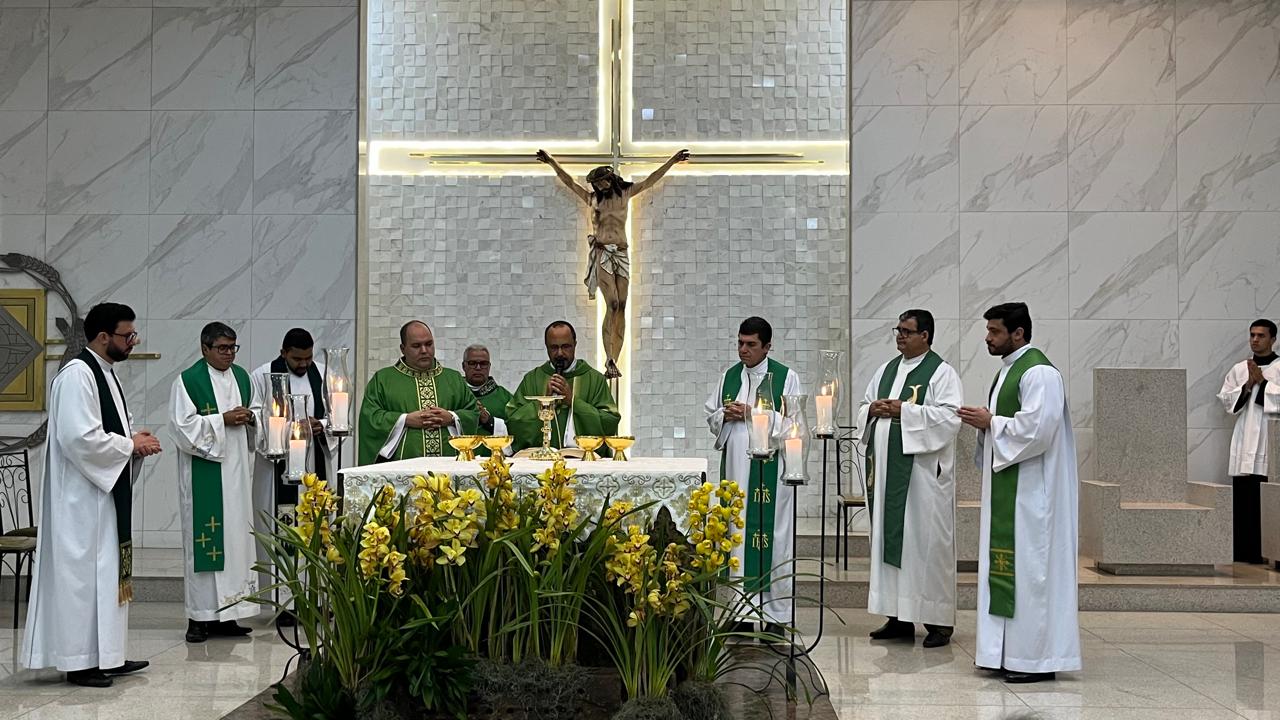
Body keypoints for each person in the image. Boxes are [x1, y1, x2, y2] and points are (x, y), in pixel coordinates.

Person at [22, 303, 161, 687]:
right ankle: (79, 662)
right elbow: (78, 438)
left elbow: (106, 432)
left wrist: (134, 441)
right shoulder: (77, 376)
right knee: (83, 581)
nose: (133, 342)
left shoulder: (105, 373)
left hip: (102, 496)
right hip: (80, 502)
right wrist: (129, 445)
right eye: (127, 335)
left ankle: (108, 656)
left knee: (106, 577)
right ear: (103, 337)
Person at [958, 302, 1080, 683]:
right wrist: (987, 424)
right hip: (1012, 493)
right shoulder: (1008, 371)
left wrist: (991, 422)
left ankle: (1035, 660)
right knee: (1010, 572)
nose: (987, 338)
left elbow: (1038, 431)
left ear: (1018, 333)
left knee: (1032, 574)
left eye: (994, 331)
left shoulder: (1039, 372)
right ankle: (1002, 653)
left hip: (1033, 496)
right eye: (988, 331)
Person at [536, 148, 690, 379]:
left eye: (602, 182)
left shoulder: (625, 193)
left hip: (621, 253)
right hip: (602, 253)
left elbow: (651, 180)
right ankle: (608, 355)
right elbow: (569, 182)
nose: (600, 186)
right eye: (596, 184)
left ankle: (614, 360)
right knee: (613, 304)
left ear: (610, 179)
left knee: (623, 306)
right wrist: (551, 162)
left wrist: (673, 161)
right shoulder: (592, 199)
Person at [859, 309, 962, 648]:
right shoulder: (886, 370)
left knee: (926, 545)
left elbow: (949, 418)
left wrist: (904, 410)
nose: (900, 336)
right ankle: (898, 617)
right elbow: (864, 405)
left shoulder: (942, 373)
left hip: (921, 481)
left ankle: (938, 623)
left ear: (925, 336)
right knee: (893, 544)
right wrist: (871, 410)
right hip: (888, 476)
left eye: (907, 331)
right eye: (898, 330)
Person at [703, 317, 803, 631]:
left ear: (767, 346)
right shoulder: (729, 376)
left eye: (751, 344)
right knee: (737, 535)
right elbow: (711, 415)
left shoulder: (786, 378)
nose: (743, 350)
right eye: (740, 343)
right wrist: (724, 415)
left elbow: (795, 426)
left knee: (774, 539)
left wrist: (752, 414)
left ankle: (776, 616)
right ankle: (741, 615)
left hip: (771, 474)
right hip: (736, 472)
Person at [170, 322, 262, 643]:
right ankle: (199, 618)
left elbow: (259, 412)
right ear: (204, 348)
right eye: (222, 348)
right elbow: (181, 428)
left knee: (236, 544)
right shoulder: (188, 381)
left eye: (233, 348)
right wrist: (222, 420)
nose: (229, 354)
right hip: (205, 476)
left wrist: (252, 418)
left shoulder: (243, 378)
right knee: (205, 546)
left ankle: (229, 614)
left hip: (237, 476)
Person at [249, 328, 339, 622]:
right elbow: (255, 419)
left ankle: (319, 599)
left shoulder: (322, 373)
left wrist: (322, 425)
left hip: (315, 464)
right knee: (282, 528)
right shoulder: (263, 376)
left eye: (308, 358)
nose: (304, 364)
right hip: (278, 469)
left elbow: (338, 416)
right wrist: (290, 427)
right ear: (283, 352)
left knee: (318, 528)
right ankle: (284, 602)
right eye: (297, 359)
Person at [358, 321, 478, 464]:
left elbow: (473, 413)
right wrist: (405, 420)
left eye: (429, 344)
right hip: (401, 469)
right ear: (403, 349)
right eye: (416, 346)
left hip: (449, 466)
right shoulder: (383, 380)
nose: (424, 350)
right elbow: (370, 419)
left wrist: (452, 418)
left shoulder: (453, 378)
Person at [1218, 319, 1280, 563]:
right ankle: (1245, 552)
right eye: (1252, 335)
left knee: (1267, 497)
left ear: (1273, 339)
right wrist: (1247, 385)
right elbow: (1227, 401)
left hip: (1268, 436)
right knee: (1244, 496)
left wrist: (1264, 384)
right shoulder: (1239, 369)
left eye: (1261, 335)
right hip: (1245, 437)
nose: (1255, 339)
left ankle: (1268, 551)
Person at [507, 321, 620, 452]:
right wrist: (544, 402)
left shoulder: (595, 379)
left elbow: (610, 421)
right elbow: (513, 421)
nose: (560, 353)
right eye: (554, 347)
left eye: (566, 346)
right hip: (541, 459)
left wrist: (573, 401)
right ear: (546, 347)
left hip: (583, 458)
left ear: (575, 345)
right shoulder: (532, 379)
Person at [462, 344, 512, 456]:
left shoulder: (505, 398)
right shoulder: (455, 394)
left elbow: (516, 431)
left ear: (489, 367)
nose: (478, 368)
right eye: (472, 363)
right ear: (464, 366)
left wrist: (490, 421)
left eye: (483, 364)